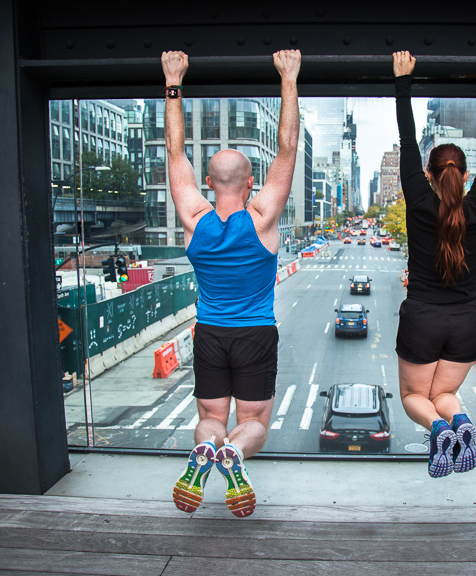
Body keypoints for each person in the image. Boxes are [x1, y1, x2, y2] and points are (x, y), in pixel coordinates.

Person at [162, 49, 301, 517]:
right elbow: (287, 149)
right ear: (250, 183)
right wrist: (288, 78)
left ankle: (206, 452)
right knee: (255, 422)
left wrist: (174, 81)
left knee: (210, 419)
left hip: (211, 334)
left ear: (207, 181)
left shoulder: (193, 219)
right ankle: (235, 455)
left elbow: (174, 151)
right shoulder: (262, 219)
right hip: (256, 334)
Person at [393, 50, 476, 478]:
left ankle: (441, 429)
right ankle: (458, 422)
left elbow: (406, 141)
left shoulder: (420, 203)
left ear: (429, 172)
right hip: (465, 321)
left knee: (413, 398)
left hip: (422, 316)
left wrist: (403, 81)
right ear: (466, 172)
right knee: (443, 393)